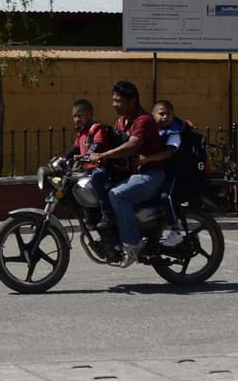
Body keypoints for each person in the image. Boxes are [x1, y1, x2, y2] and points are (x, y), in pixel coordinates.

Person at [89, 80, 166, 268]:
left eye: (119, 101)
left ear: (132, 101)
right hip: (133, 175)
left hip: (150, 175)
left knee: (117, 195)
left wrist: (104, 155)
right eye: (113, 100)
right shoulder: (122, 121)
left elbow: (131, 146)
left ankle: (132, 243)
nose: (114, 104)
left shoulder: (144, 120)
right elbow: (113, 142)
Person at [63, 98, 116, 235]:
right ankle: (90, 214)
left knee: (97, 179)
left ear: (90, 114)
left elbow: (96, 145)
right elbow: (74, 150)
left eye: (80, 115)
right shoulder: (81, 133)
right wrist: (63, 159)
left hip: (101, 167)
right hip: (88, 169)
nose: (76, 119)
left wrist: (85, 157)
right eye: (74, 116)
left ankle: (107, 213)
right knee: (78, 186)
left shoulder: (96, 128)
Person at [139, 99, 187, 246]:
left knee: (167, 197)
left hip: (174, 173)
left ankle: (176, 231)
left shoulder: (174, 132)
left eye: (168, 114)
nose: (165, 117)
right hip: (156, 172)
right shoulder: (151, 129)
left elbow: (168, 153)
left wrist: (147, 159)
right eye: (161, 114)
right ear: (153, 114)